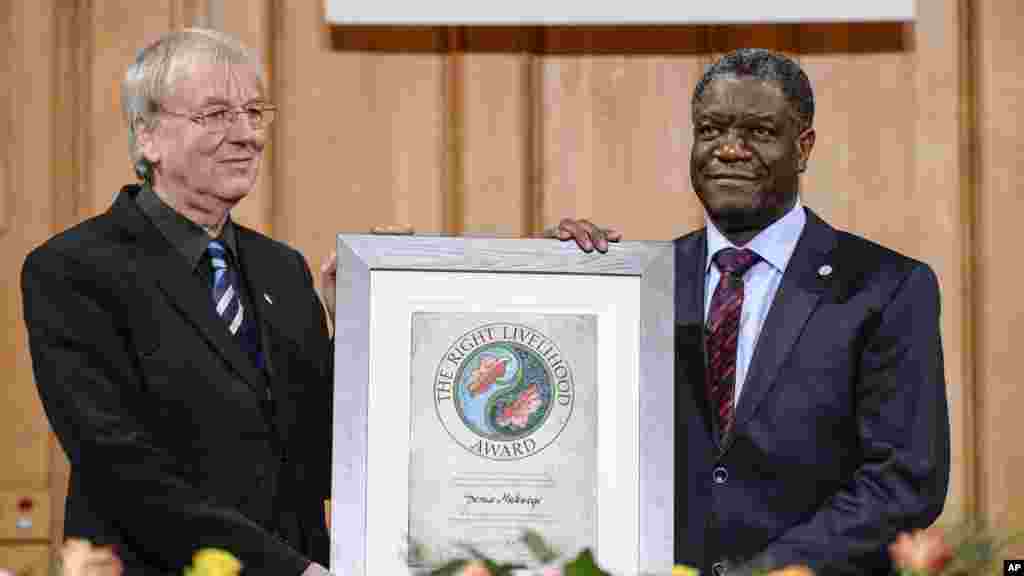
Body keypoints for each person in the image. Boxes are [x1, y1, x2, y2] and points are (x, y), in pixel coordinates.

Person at [557, 48, 950, 575]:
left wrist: (769, 569)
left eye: (760, 132)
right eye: (711, 128)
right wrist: (555, 291)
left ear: (803, 147)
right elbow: (573, 438)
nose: (730, 150)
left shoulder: (886, 287)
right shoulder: (641, 281)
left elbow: (905, 482)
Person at [21, 29, 336, 576]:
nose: (246, 135)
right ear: (148, 137)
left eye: (254, 111)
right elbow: (121, 468)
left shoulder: (283, 270)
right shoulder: (73, 269)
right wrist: (285, 570)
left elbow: (321, 458)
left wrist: (354, 333)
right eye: (215, 115)